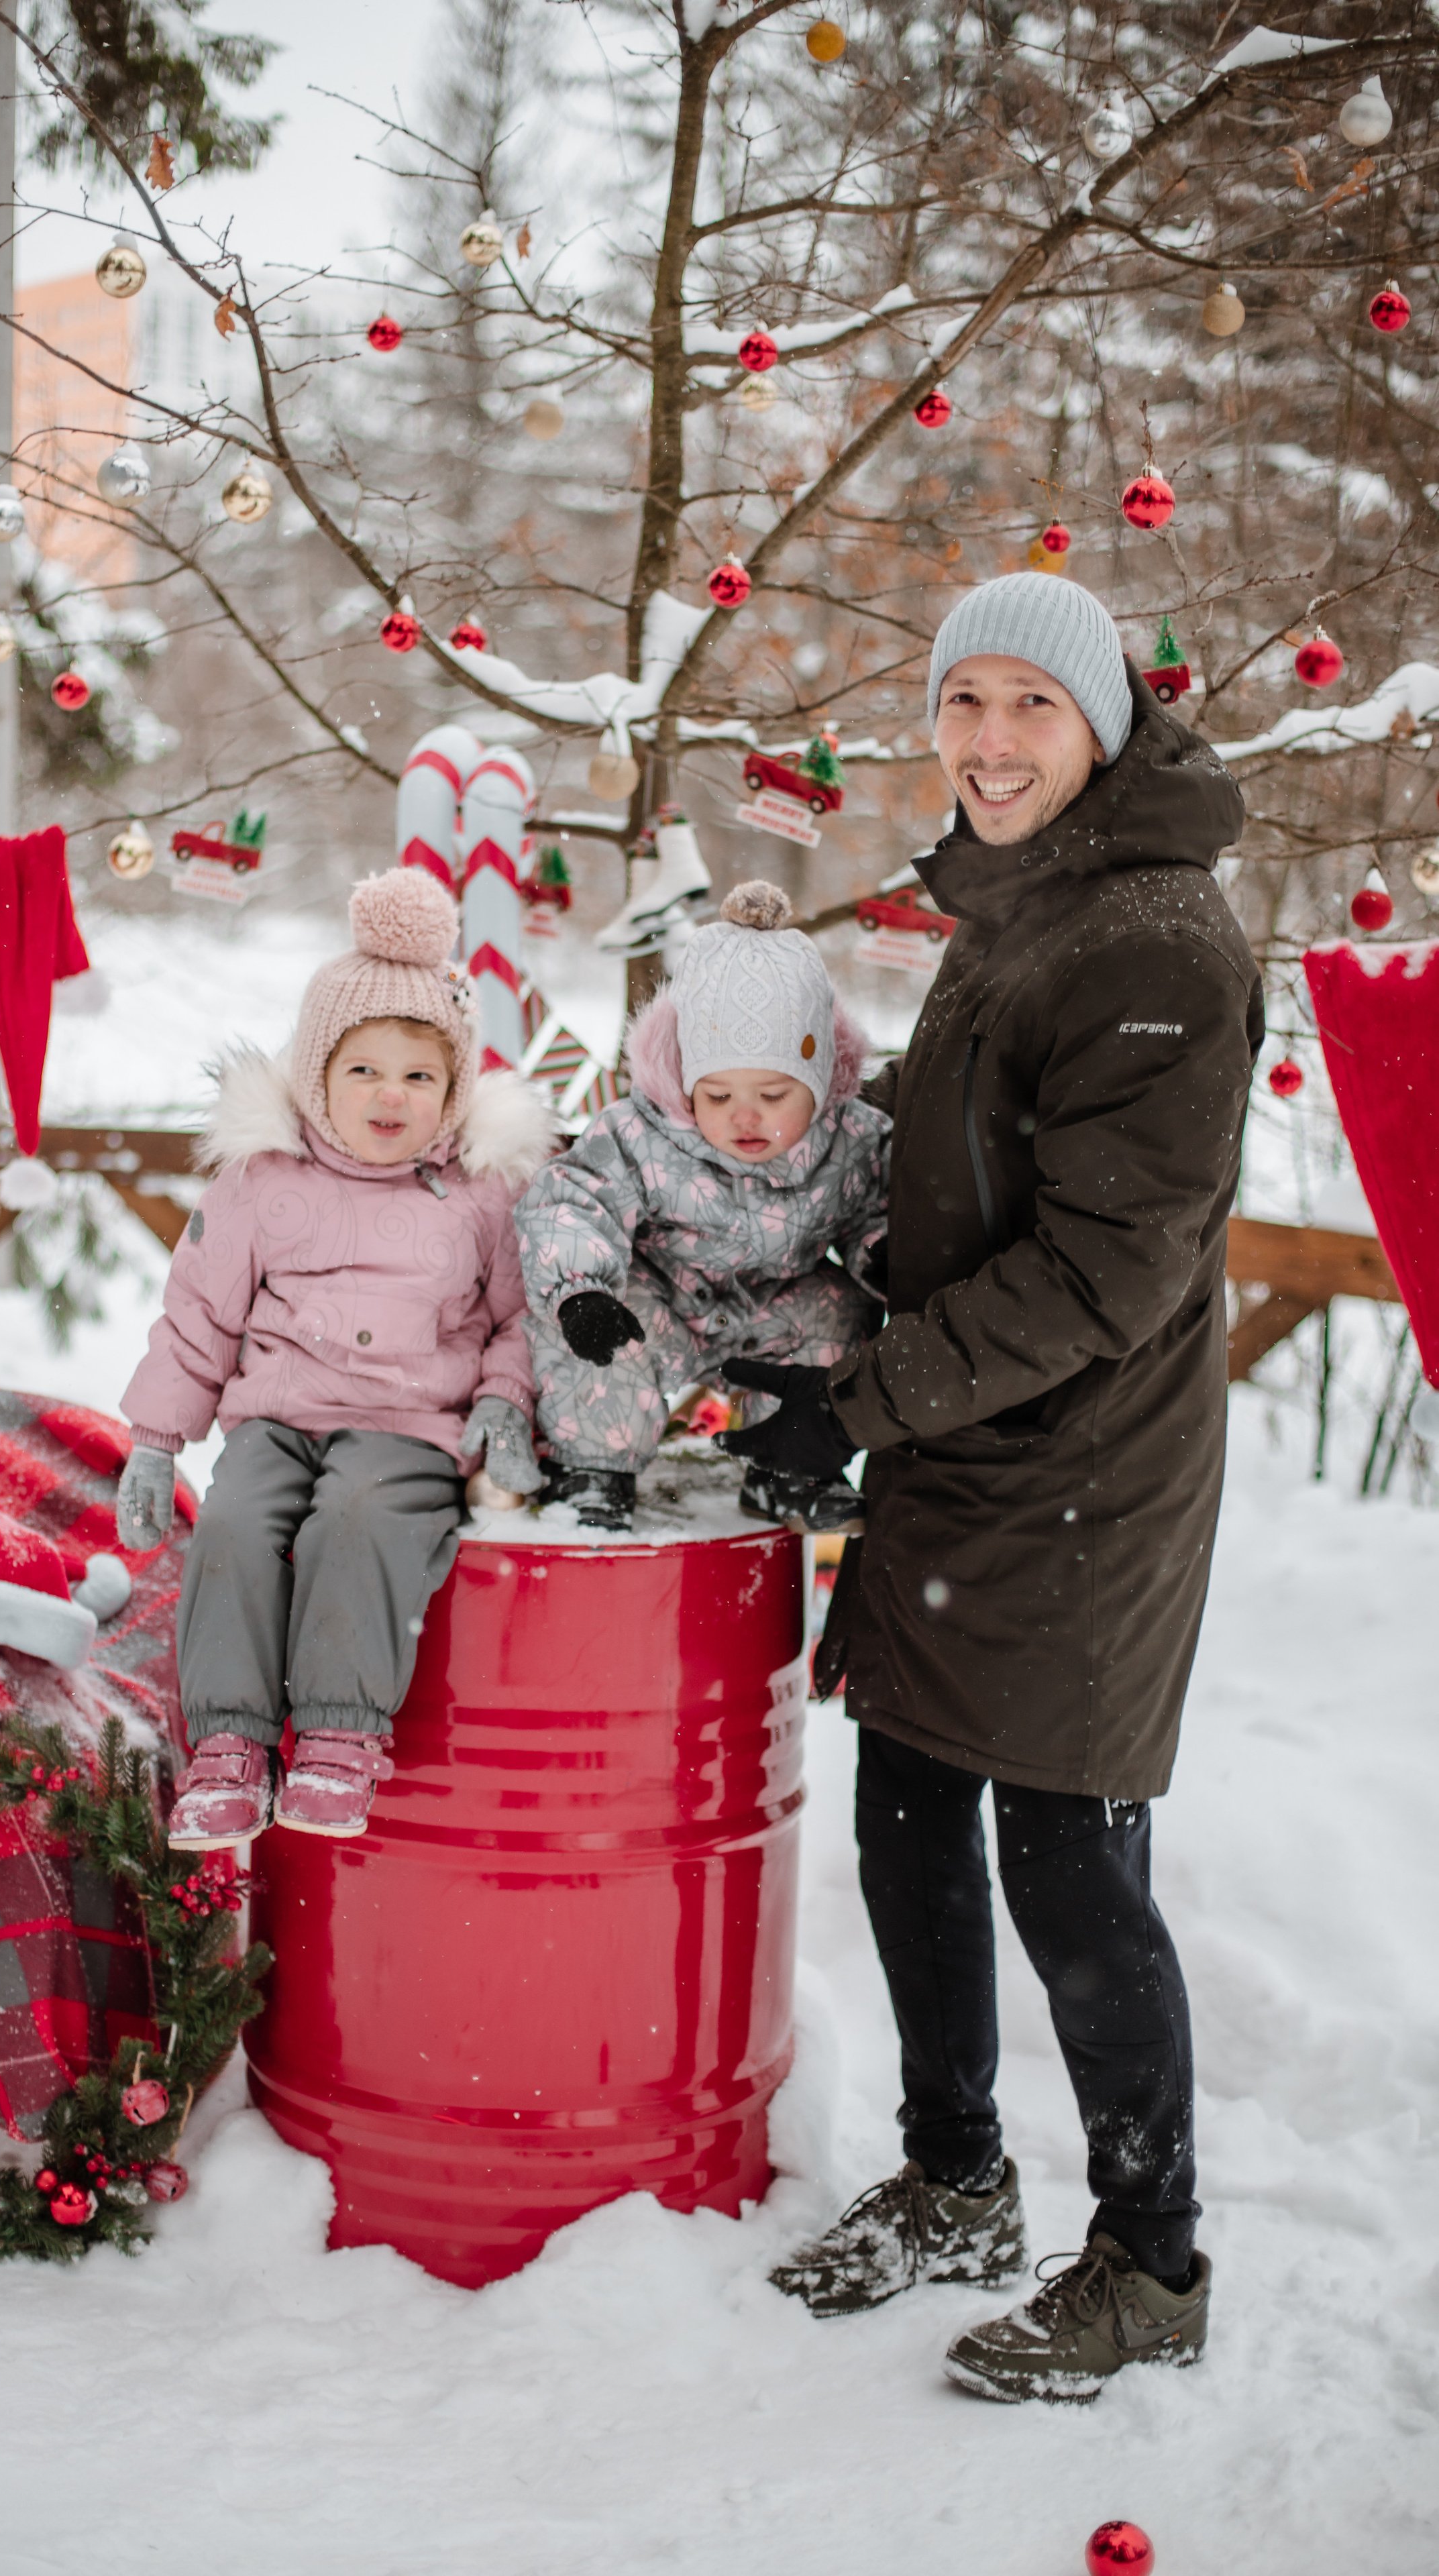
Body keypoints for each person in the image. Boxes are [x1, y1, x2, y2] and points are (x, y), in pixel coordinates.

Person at [729, 574, 1264, 2402]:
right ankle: (955, 2176)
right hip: (968, 1451)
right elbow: (961, 1169)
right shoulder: (1019, 906)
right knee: (908, 1821)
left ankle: (1150, 2257)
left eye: (1034, 706)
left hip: (1084, 1478)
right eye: (966, 703)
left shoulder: (1157, 948)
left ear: (1105, 726)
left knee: (1071, 1871)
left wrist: (861, 1398)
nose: (991, 741)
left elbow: (1107, 1273)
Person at [113, 869, 553, 1847]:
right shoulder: (262, 1179)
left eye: (419, 1075)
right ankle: (228, 1745)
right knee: (232, 1522)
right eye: (364, 1071)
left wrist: (502, 1402)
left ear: (453, 1089)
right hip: (277, 1417)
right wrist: (154, 1440)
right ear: (318, 1075)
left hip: (407, 1427)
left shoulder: (481, 1196)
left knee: (355, 1523)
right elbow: (198, 1315)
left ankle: (338, 1737)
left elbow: (523, 1318)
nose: (390, 1096)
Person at [515, 881, 890, 1533]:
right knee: (585, 1329)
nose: (744, 1116)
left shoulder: (853, 1140)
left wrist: (882, 1254)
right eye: (716, 1097)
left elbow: (878, 1210)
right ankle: (593, 1470)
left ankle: (789, 1470)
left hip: (777, 1307)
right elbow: (572, 1200)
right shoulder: (643, 1130)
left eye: (773, 1095)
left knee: (838, 1312)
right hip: (659, 1303)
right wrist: (579, 1292)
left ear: (822, 1077)